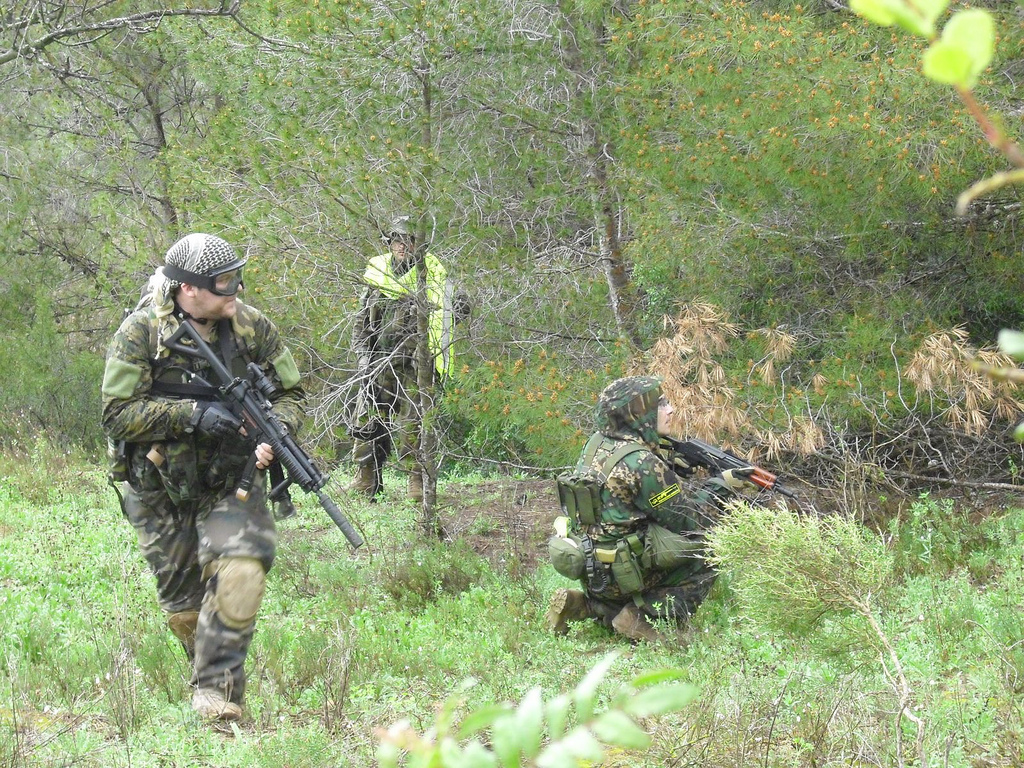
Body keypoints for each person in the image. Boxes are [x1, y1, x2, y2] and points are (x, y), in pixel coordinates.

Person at [101, 233, 306, 722]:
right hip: (158, 485)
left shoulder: (252, 327)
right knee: (186, 609)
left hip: (231, 479)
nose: (236, 289)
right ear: (188, 288)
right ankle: (205, 666)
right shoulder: (141, 332)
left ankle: (217, 694)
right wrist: (192, 415)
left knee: (241, 571)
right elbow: (115, 414)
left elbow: (292, 394)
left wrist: (276, 431)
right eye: (224, 282)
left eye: (238, 278)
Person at [546, 376, 754, 641]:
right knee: (710, 547)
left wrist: (669, 467)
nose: (670, 410)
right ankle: (644, 618)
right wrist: (721, 485)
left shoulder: (597, 444)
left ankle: (591, 606)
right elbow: (690, 521)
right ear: (637, 414)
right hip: (624, 574)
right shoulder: (642, 463)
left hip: (592, 570)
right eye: (660, 405)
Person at [349, 215, 465, 502]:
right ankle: (366, 477)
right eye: (397, 240)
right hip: (379, 361)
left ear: (418, 244)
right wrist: (363, 359)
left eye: (408, 240)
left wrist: (448, 310)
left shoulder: (434, 274)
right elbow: (361, 322)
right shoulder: (377, 274)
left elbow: (460, 307)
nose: (402, 246)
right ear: (390, 243)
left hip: (416, 364)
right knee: (367, 418)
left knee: (413, 424)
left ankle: (416, 480)